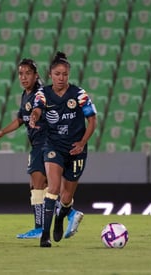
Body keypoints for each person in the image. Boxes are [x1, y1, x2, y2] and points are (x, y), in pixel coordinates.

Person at [0, 58, 84, 240]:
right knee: (41, 185)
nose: (24, 77)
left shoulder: (40, 93)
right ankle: (68, 213)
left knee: (38, 184)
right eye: (21, 73)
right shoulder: (25, 94)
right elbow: (20, 119)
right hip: (38, 143)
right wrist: (2, 132)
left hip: (45, 142)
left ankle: (41, 227)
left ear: (36, 75)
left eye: (28, 73)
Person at [29, 51, 97, 247]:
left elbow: (92, 120)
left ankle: (60, 218)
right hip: (53, 146)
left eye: (64, 74)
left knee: (67, 197)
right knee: (54, 188)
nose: (61, 78)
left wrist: (82, 142)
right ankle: (45, 236)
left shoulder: (79, 95)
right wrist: (34, 116)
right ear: (50, 74)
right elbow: (38, 109)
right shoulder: (43, 94)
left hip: (76, 148)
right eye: (57, 74)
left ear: (69, 74)